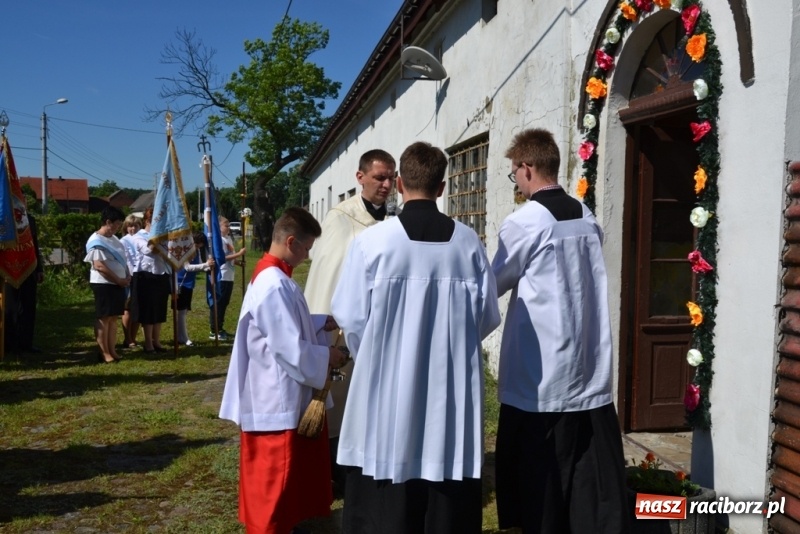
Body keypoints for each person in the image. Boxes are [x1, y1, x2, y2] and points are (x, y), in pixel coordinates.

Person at [330, 142, 501, 534]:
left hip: (386, 392)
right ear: (442, 187)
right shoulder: (468, 244)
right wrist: (451, 347)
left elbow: (352, 318)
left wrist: (376, 355)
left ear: (401, 183)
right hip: (449, 396)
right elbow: (487, 316)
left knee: (386, 487)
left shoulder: (373, 243)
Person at [490, 128, 630, 533]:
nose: (515, 180)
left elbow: (493, 283)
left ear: (527, 167)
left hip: (542, 370)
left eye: (514, 172)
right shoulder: (586, 215)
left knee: (542, 475)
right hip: (586, 362)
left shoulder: (524, 222)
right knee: (586, 472)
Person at [218, 207, 348, 534]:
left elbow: (285, 327)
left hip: (279, 397)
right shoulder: (273, 284)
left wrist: (320, 323)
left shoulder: (275, 276)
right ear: (291, 242)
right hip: (275, 403)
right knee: (273, 488)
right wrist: (328, 356)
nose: (306, 257)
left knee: (282, 488)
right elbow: (288, 348)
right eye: (305, 249)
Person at [303, 148, 396, 490]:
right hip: (344, 326)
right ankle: (335, 466)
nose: (386, 185)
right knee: (341, 397)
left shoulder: (394, 219)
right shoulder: (341, 218)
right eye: (379, 177)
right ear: (360, 178)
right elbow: (329, 273)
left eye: (390, 178)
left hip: (380, 325)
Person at [84, 206, 131, 363]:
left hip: (118, 284)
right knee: (104, 318)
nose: (118, 227)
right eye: (117, 224)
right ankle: (104, 352)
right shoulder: (96, 240)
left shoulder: (114, 239)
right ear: (108, 222)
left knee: (113, 318)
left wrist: (126, 274)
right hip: (104, 284)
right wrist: (118, 280)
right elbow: (99, 266)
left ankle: (112, 349)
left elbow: (123, 260)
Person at [131, 207, 172, 353]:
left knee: (159, 310)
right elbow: (150, 250)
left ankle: (157, 341)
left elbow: (169, 252)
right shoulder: (138, 236)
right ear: (149, 221)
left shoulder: (162, 235)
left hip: (161, 274)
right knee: (148, 312)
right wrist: (160, 240)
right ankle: (148, 343)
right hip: (145, 276)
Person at [3, 213, 45, 354]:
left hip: (28, 268)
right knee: (11, 308)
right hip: (7, 269)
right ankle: (9, 344)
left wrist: (39, 268)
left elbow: (34, 244)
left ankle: (26, 343)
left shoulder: (30, 219)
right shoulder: (3, 215)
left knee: (28, 307)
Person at [209, 216, 246, 341]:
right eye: (226, 225)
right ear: (218, 227)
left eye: (229, 225)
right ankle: (214, 329)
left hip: (230, 275)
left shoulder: (228, 239)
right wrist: (239, 254)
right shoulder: (219, 241)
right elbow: (222, 258)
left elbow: (231, 257)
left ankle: (220, 327)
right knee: (219, 303)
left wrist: (238, 262)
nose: (228, 228)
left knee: (225, 303)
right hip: (222, 275)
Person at [176, 232, 214, 347]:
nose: (198, 248)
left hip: (189, 283)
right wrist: (205, 265)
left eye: (199, 246)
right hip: (181, 283)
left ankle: (180, 336)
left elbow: (199, 265)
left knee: (184, 311)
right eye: (197, 246)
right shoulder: (185, 250)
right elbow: (187, 267)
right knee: (181, 311)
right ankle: (184, 337)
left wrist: (208, 266)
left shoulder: (196, 251)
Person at [119, 214, 142, 348]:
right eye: (130, 226)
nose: (133, 229)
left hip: (140, 276)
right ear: (126, 228)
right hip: (129, 277)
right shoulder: (124, 241)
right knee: (127, 309)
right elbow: (126, 260)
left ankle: (133, 337)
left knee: (137, 309)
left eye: (135, 226)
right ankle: (127, 338)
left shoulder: (143, 239)